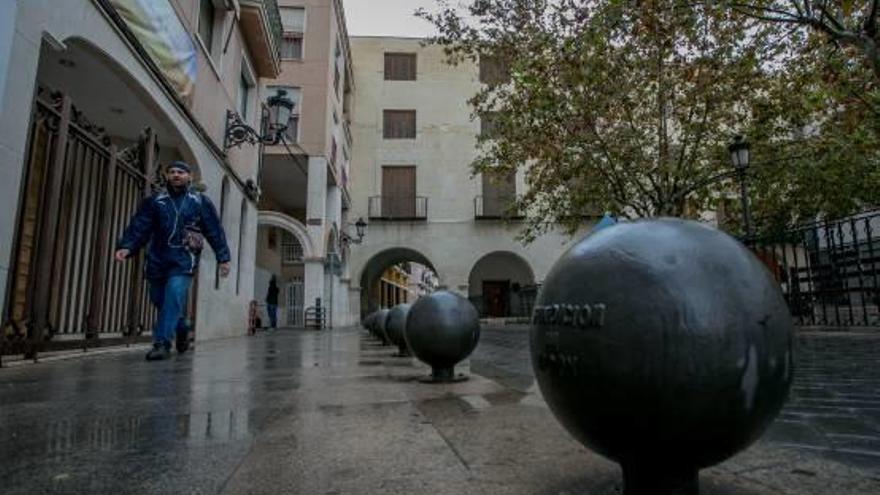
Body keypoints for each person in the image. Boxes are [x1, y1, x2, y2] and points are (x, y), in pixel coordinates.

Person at [114, 161, 231, 361]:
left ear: (189, 176)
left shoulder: (200, 201)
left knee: (174, 295)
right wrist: (127, 246)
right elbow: (140, 225)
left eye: (180, 172)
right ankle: (182, 326)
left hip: (184, 260)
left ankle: (162, 343)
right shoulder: (155, 201)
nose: (176, 175)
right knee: (159, 299)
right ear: (167, 176)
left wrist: (223, 258)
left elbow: (214, 230)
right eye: (172, 172)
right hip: (157, 258)